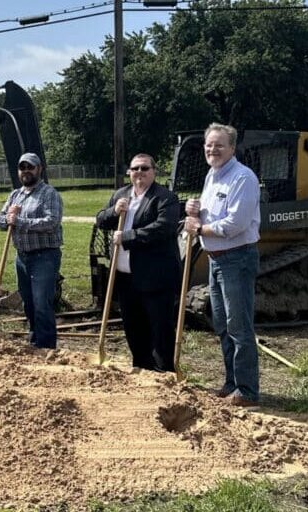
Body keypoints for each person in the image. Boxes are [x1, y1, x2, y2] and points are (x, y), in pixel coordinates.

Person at [184, 123, 261, 408]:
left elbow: (235, 225)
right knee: (223, 326)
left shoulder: (243, 178)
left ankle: (247, 391)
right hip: (217, 260)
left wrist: (200, 228)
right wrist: (195, 210)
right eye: (208, 145)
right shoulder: (213, 175)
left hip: (237, 258)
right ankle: (231, 384)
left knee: (239, 327)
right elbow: (210, 213)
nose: (212, 149)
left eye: (219, 145)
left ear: (232, 148)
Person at [95, 153, 181, 371]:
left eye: (144, 168)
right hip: (125, 276)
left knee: (160, 328)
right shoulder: (121, 195)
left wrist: (128, 236)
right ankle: (141, 368)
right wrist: (114, 211)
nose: (139, 173)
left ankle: (164, 373)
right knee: (134, 327)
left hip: (155, 276)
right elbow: (101, 220)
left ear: (154, 171)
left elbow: (164, 227)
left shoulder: (165, 198)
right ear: (129, 173)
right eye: (135, 169)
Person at [0, 153, 63, 349]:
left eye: (30, 167)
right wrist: (8, 219)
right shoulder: (15, 195)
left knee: (42, 303)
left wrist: (19, 221)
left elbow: (51, 222)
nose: (26, 171)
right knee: (29, 303)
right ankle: (35, 342)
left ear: (39, 169)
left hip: (44, 256)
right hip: (22, 257)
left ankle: (47, 346)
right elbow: (0, 221)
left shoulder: (49, 193)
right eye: (22, 167)